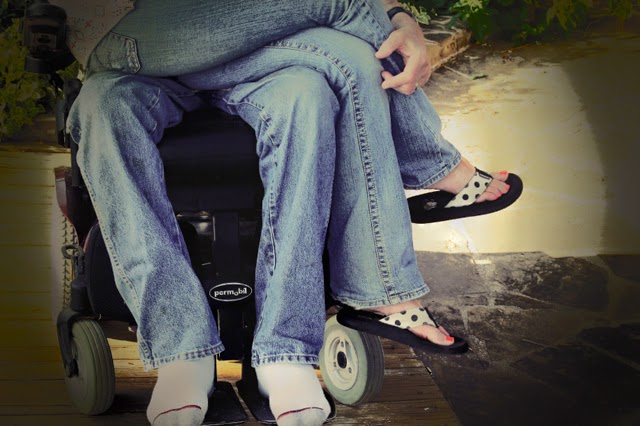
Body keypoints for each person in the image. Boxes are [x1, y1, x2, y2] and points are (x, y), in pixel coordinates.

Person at [52, 0, 520, 424]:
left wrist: (398, 16)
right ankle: (182, 350)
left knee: (309, 92)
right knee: (102, 108)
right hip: (134, 39)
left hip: (255, 46)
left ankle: (286, 351)